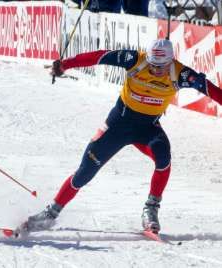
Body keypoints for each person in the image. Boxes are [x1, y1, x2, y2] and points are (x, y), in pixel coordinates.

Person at [22, 39, 222, 234]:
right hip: (118, 124)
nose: (156, 71)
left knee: (164, 157)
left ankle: (151, 209)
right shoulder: (134, 59)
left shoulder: (182, 74)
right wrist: (66, 65)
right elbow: (100, 56)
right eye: (153, 65)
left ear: (171, 61)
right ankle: (51, 212)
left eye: (161, 67)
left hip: (147, 128)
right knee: (85, 172)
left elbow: (212, 90)